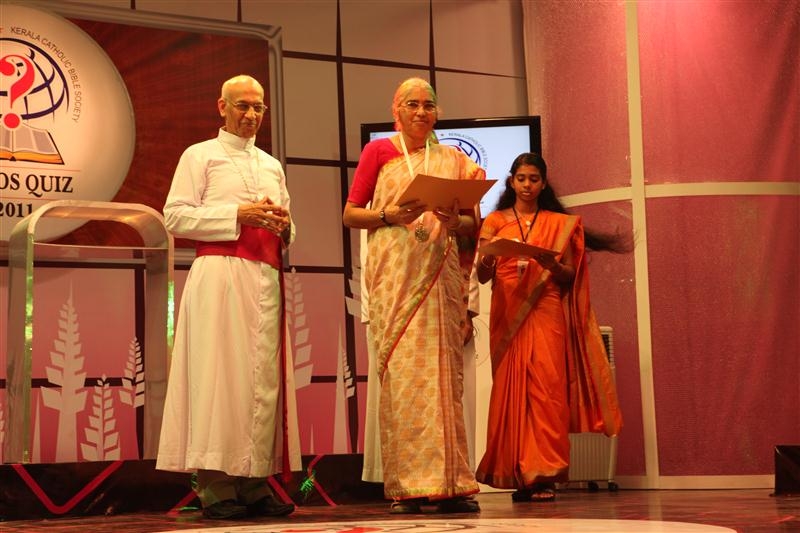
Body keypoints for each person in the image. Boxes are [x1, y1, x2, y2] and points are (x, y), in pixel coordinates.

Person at [156, 74, 301, 520]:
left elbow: (288, 224)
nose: (251, 115)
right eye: (243, 106)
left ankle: (254, 483)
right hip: (219, 276)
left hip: (264, 279)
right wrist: (238, 214)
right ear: (222, 107)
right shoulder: (200, 155)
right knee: (219, 379)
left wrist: (285, 226)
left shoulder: (271, 165)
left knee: (260, 384)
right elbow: (175, 216)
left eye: (258, 107)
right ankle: (217, 488)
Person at [342, 77, 484, 514]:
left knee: (443, 383)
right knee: (404, 381)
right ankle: (407, 487)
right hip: (396, 281)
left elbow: (472, 225)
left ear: (437, 112)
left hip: (439, 281)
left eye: (428, 104)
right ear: (396, 110)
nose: (421, 112)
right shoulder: (379, 152)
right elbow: (351, 214)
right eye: (412, 104)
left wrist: (455, 220)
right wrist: (389, 215)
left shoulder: (454, 160)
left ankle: (451, 483)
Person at [474, 152, 626, 502]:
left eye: (534, 179)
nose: (527, 185)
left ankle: (542, 475)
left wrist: (551, 265)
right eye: (521, 179)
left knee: (546, 391)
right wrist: (489, 259)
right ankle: (519, 473)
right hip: (508, 311)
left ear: (543, 183)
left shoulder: (559, 224)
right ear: (511, 181)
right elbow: (482, 276)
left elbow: (569, 274)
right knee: (512, 392)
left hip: (546, 309)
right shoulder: (495, 221)